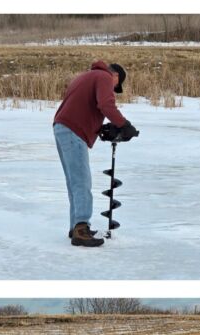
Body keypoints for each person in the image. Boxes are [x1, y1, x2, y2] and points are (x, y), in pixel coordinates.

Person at [53, 60, 139, 247]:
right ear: (115, 76)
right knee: (82, 181)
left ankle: (76, 226)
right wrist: (124, 125)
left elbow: (84, 108)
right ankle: (81, 229)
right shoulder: (104, 77)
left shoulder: (86, 76)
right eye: (116, 86)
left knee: (74, 182)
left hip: (63, 127)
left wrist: (100, 129)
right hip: (72, 131)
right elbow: (106, 105)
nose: (113, 90)